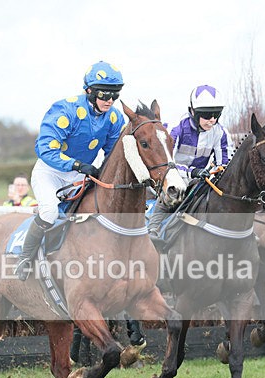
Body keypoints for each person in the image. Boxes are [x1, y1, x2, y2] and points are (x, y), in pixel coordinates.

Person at [14, 60, 126, 281]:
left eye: (115, 95)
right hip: (50, 173)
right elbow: (45, 148)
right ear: (89, 91)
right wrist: (77, 165)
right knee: (49, 212)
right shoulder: (65, 110)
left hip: (80, 177)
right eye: (104, 94)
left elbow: (113, 153)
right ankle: (25, 258)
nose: (110, 100)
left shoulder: (114, 117)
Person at [148, 84, 231, 240]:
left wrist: (216, 174)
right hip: (172, 175)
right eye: (207, 115)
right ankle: (153, 228)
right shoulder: (177, 128)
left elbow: (223, 164)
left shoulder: (220, 132)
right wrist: (192, 172)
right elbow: (168, 162)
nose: (212, 120)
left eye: (216, 114)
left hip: (199, 177)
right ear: (193, 112)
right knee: (174, 192)